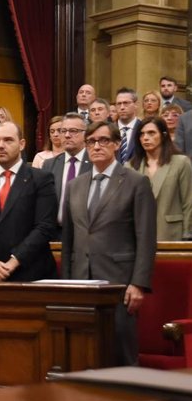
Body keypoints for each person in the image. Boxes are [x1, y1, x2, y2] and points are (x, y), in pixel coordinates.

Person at [62, 120, 156, 366]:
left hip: (119, 282)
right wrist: (66, 283)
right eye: (91, 141)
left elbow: (146, 238)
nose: (96, 146)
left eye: (103, 140)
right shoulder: (74, 186)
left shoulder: (136, 182)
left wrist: (138, 283)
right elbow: (69, 240)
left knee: (121, 353)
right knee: (84, 354)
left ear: (116, 144)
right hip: (81, 281)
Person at [0, 122, 57, 282]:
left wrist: (14, 262)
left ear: (21, 144)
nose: (0, 146)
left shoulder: (41, 179)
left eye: (8, 140)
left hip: (29, 272)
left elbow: (44, 227)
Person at [126, 116, 192, 240]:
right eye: (142, 134)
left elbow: (189, 202)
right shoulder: (130, 166)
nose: (145, 138)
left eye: (151, 133)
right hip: (140, 236)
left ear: (164, 135)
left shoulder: (181, 162)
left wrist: (187, 234)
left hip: (172, 234)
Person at [41, 113, 92, 239]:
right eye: (63, 131)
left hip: (87, 235)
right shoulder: (49, 165)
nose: (67, 135)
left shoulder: (94, 163)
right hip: (55, 234)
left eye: (73, 131)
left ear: (86, 134)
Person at [114, 87, 141, 163]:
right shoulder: (109, 130)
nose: (122, 107)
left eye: (126, 103)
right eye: (119, 104)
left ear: (136, 105)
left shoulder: (143, 128)